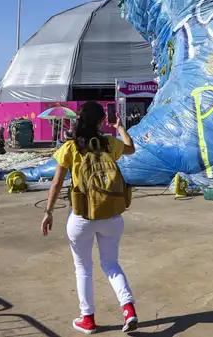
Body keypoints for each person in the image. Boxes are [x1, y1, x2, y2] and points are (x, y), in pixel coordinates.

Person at [40, 101, 139, 334]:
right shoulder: (109, 143)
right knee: (111, 264)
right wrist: (121, 128)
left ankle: (88, 319)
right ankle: (128, 309)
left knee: (83, 268)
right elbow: (131, 148)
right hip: (112, 215)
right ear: (102, 121)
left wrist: (48, 212)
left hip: (81, 216)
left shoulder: (71, 148)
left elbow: (56, 183)